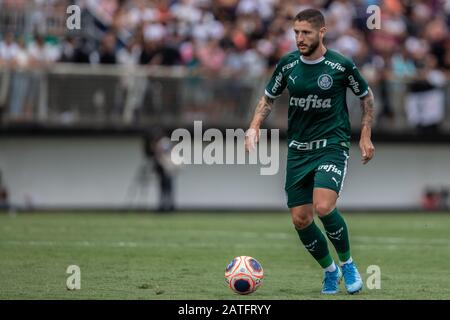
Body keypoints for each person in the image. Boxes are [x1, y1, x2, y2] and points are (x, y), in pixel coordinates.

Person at [245, 9, 375, 295]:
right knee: (300, 219)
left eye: (306, 33)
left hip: (331, 145)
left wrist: (365, 135)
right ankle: (330, 271)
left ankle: (348, 263)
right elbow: (268, 99)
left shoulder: (340, 66)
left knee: (324, 206)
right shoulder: (288, 64)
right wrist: (254, 126)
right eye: (296, 33)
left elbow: (366, 97)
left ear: (322, 32)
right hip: (298, 151)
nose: (300, 38)